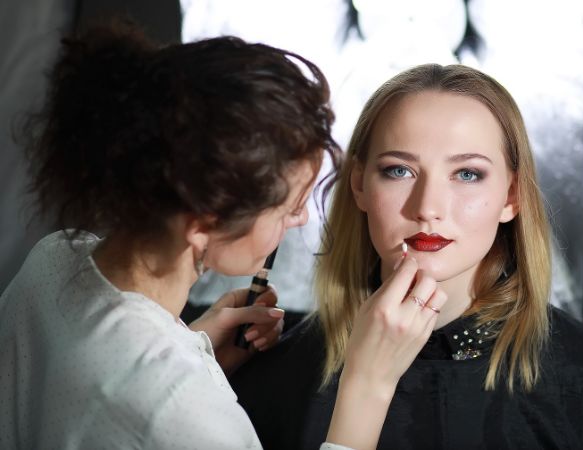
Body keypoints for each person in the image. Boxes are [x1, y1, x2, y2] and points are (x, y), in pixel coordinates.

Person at [0, 22, 446, 450]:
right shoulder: (187, 411)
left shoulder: (55, 257)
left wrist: (189, 345)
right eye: (288, 207)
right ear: (203, 222)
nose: (299, 219)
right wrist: (368, 383)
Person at [231, 64, 583, 449]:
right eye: (398, 170)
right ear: (360, 185)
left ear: (511, 196)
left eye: (467, 174)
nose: (427, 207)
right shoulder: (277, 373)